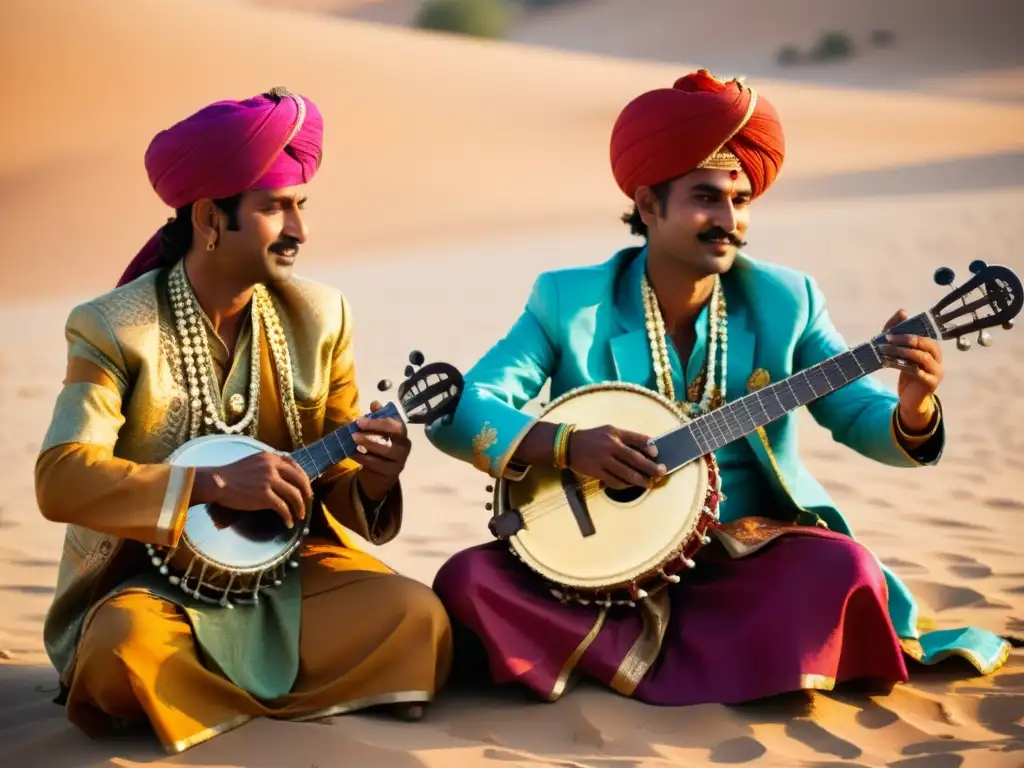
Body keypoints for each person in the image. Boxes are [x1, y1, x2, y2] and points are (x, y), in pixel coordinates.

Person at [424, 70, 1010, 706]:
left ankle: (633, 659)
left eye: (742, 200)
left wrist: (914, 405)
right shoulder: (570, 302)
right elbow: (458, 410)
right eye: (707, 198)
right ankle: (709, 658)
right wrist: (566, 445)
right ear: (649, 205)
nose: (730, 220)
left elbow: (855, 415)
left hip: (744, 558)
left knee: (846, 570)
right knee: (467, 579)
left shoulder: (787, 301)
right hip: (597, 568)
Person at [36, 87, 452, 754]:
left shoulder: (321, 316)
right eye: (275, 208)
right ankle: (259, 697)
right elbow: (60, 480)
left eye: (301, 206)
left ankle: (195, 702)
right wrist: (210, 486)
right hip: (153, 585)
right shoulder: (115, 327)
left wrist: (374, 476)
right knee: (120, 652)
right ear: (209, 218)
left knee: (419, 620)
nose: (299, 230)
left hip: (290, 574)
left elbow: (338, 481)